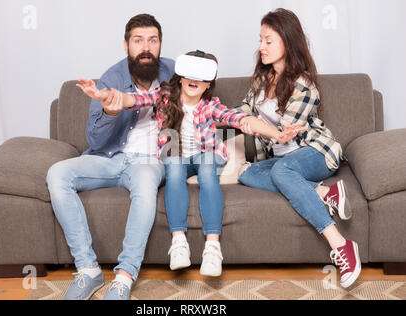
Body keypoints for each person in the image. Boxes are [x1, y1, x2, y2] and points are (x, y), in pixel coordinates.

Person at [77, 50, 305, 277]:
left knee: (207, 172)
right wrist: (104, 96)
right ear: (181, 76)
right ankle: (178, 243)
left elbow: (242, 119)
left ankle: (213, 247)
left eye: (202, 76)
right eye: (190, 74)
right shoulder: (164, 95)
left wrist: (278, 134)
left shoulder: (211, 105)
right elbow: (134, 100)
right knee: (174, 170)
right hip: (176, 152)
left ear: (208, 84)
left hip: (207, 152)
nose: (194, 80)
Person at [46, 13, 175, 300]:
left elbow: (199, 104)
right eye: (138, 40)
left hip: (149, 161)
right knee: (57, 174)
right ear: (126, 45)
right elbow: (94, 140)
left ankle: (125, 276)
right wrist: (109, 112)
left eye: (152, 40)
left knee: (144, 185)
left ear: (160, 44)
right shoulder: (111, 78)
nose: (146, 47)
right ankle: (88, 269)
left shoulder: (175, 75)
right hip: (110, 158)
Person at [235, 8, 360, 288]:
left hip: (316, 153)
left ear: (287, 43)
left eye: (268, 40)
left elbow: (283, 133)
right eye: (260, 40)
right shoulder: (260, 81)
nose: (261, 47)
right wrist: (221, 115)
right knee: (246, 173)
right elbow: (241, 112)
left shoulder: (304, 85)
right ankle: (324, 192)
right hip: (283, 164)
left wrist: (254, 123)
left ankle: (341, 245)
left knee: (283, 170)